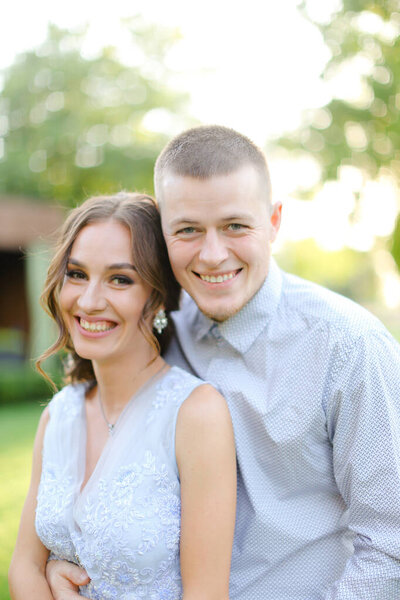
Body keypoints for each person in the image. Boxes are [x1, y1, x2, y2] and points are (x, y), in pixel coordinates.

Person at [46, 125, 400, 599]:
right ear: (163, 237)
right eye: (188, 230)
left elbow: (389, 541)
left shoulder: (349, 347)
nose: (213, 256)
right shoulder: (158, 330)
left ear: (274, 221)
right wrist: (62, 563)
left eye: (235, 226)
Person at [8, 192, 237, 600]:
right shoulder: (59, 415)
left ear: (157, 297)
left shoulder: (196, 413)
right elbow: (24, 567)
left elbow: (206, 593)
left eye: (120, 279)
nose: (90, 301)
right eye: (77, 274)